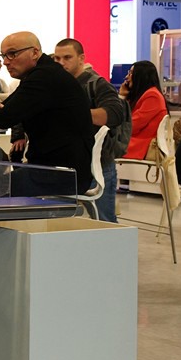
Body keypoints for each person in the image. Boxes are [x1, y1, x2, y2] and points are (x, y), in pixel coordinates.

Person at [0, 33, 95, 195]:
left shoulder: (44, 77)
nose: (6, 62)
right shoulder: (42, 74)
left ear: (34, 53)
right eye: (4, 56)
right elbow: (7, 108)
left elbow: (4, 118)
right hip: (56, 170)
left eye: (12, 54)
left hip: (60, 174)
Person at [52, 38, 130, 222]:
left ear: (81, 58)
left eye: (67, 57)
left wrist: (75, 114)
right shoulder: (54, 84)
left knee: (104, 220)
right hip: (63, 164)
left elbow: (114, 114)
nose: (61, 63)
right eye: (57, 58)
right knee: (60, 221)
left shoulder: (97, 84)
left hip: (97, 164)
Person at [120, 60, 168, 160]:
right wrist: (124, 96)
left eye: (131, 73)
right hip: (132, 142)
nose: (127, 77)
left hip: (139, 146)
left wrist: (121, 97)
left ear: (141, 76)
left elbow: (132, 125)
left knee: (103, 146)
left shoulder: (152, 96)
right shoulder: (144, 95)